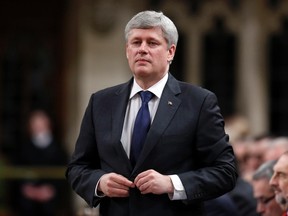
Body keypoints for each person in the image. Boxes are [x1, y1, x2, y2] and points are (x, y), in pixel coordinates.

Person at [66, 10, 238, 216]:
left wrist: (172, 183)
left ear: (170, 52)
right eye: (136, 42)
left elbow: (225, 172)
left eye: (152, 43)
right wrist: (100, 182)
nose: (142, 49)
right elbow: (77, 168)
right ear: (127, 50)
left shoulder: (199, 102)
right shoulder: (101, 102)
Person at [14, 110, 68, 216]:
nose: (38, 127)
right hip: (29, 195)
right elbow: (18, 171)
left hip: (51, 195)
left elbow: (64, 173)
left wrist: (50, 190)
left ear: (48, 124)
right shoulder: (24, 148)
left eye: (41, 123)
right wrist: (29, 190)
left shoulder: (58, 150)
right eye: (35, 123)